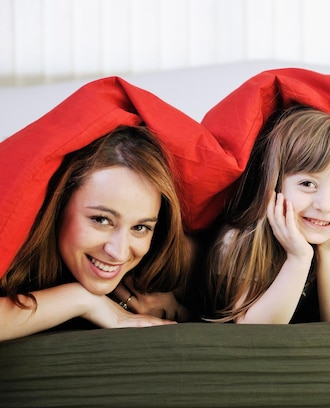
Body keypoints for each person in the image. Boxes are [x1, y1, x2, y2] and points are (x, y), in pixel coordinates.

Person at [203, 106, 330, 324]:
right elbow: (254, 333)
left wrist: (328, 253)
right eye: (307, 184)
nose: (324, 205)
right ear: (275, 184)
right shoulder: (239, 241)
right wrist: (298, 259)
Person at [0, 125, 192, 341]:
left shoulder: (166, 263)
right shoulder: (10, 239)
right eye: (101, 220)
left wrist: (176, 310)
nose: (118, 253)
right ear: (59, 204)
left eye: (140, 228)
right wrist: (83, 300)